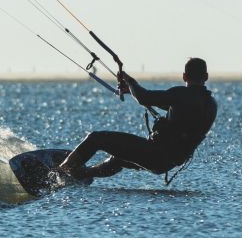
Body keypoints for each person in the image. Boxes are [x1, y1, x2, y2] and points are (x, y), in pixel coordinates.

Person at [57, 57, 217, 182]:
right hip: (170, 161)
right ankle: (83, 174)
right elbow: (175, 109)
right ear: (206, 76)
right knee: (118, 159)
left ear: (184, 76)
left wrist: (130, 80)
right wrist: (131, 91)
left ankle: (59, 174)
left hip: (156, 154)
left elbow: (144, 97)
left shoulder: (181, 94)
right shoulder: (211, 104)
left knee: (96, 138)